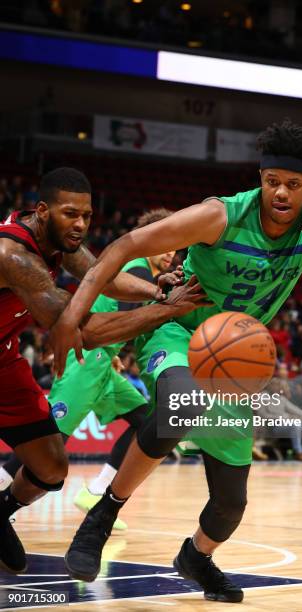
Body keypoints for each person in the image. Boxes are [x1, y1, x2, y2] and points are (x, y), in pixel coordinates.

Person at [51, 119, 302, 602]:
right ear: (261, 177)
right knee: (179, 403)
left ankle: (196, 556)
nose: (280, 192)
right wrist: (72, 314)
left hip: (233, 362)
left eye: (292, 184)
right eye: (272, 180)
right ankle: (102, 515)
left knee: (230, 504)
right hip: (180, 330)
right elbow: (126, 246)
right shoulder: (219, 215)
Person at [0, 167, 207, 575]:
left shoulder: (59, 241)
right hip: (82, 356)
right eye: (70, 214)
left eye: (87, 216)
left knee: (52, 467)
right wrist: (167, 308)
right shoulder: (13, 257)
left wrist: (157, 290)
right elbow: (85, 330)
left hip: (4, 359)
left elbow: (106, 281)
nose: (80, 224)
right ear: (43, 211)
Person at [0, 207, 177, 531]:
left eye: (175, 249)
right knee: (47, 442)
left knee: (147, 421)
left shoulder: (146, 278)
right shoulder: (137, 270)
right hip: (86, 357)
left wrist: (113, 354)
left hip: (103, 362)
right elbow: (110, 323)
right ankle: (4, 501)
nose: (171, 254)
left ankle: (97, 491)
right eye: (165, 246)